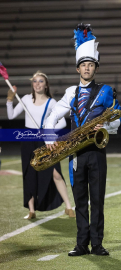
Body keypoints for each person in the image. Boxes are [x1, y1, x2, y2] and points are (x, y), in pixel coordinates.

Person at [45, 23, 121, 256]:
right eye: (83, 65)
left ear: (95, 68)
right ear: (78, 69)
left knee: (97, 200)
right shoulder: (71, 93)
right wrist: (49, 137)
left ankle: (97, 244)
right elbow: (52, 116)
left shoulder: (106, 91)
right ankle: (81, 244)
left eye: (90, 65)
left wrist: (106, 124)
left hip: (97, 151)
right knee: (80, 199)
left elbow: (118, 119)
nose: (87, 68)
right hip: (76, 154)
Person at [6, 70, 75, 219]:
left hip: (45, 140)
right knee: (29, 174)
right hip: (28, 141)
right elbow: (11, 116)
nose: (37, 84)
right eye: (35, 81)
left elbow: (62, 122)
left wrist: (48, 131)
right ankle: (31, 210)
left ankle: (69, 207)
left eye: (40, 81)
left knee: (55, 172)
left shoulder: (52, 102)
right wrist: (10, 100)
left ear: (46, 85)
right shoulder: (25, 99)